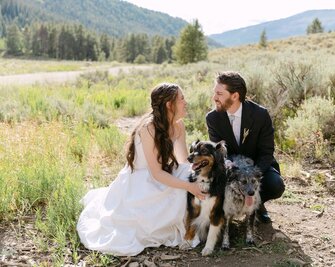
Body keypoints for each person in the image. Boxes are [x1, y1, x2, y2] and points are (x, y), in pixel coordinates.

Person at [77, 83, 205, 256]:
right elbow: (156, 173)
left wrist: (199, 174)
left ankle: (203, 223)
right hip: (143, 180)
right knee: (183, 187)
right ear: (169, 104)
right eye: (182, 99)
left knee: (192, 176)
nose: (186, 102)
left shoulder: (179, 126)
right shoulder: (148, 128)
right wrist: (188, 187)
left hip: (165, 172)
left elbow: (183, 161)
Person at [206, 71, 285, 224]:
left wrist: (252, 175)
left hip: (257, 166)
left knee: (276, 185)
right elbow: (220, 154)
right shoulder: (213, 118)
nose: (214, 97)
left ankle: (257, 203)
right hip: (230, 169)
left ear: (234, 96)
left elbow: (266, 152)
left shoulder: (260, 115)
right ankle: (226, 212)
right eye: (214, 92)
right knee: (212, 182)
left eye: (219, 94)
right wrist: (233, 171)